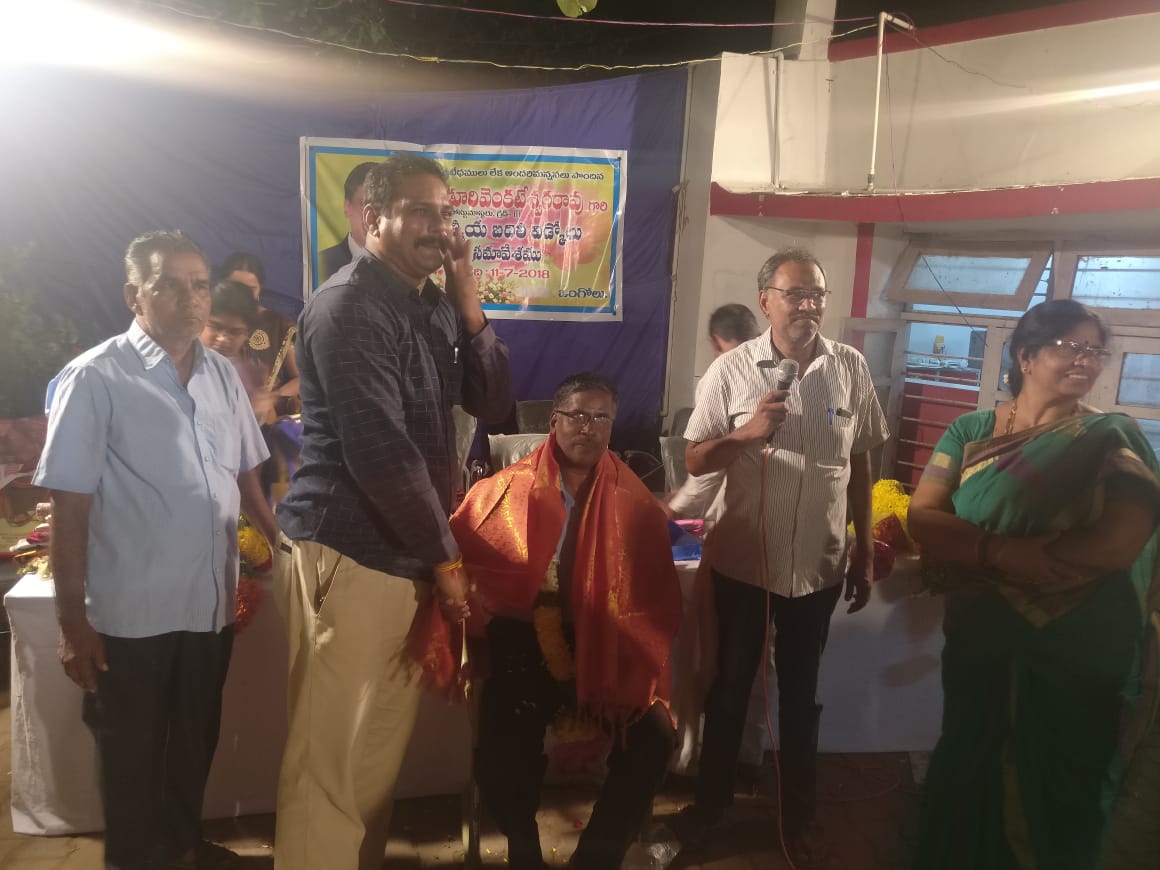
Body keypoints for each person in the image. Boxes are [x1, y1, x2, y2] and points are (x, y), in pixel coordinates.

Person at [273, 153, 513, 870]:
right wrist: (446, 560)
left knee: (373, 759)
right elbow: (382, 454)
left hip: (405, 553)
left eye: (447, 212)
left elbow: (493, 401)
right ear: (373, 218)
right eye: (420, 211)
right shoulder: (349, 306)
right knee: (332, 762)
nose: (439, 226)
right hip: (351, 552)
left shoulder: (429, 302)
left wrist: (467, 296)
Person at [33, 230, 280, 870]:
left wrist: (278, 538)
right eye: (170, 284)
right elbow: (70, 507)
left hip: (208, 604)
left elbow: (246, 472)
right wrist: (71, 623)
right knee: (130, 755)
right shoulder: (96, 376)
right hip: (130, 615)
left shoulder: (221, 373)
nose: (190, 298)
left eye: (199, 285)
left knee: (194, 740)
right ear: (133, 295)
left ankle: (183, 850)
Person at [907, 299, 1160, 870]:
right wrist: (1006, 553)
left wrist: (989, 552)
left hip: (1074, 645)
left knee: (1060, 776)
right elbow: (923, 516)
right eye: (1070, 347)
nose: (1085, 360)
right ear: (1025, 356)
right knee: (970, 751)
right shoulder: (970, 430)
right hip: (982, 634)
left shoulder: (1110, 438)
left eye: (1094, 351)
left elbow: (1120, 544)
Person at [677, 247, 889, 863]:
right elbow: (695, 459)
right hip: (745, 564)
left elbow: (862, 460)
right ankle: (711, 807)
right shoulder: (729, 371)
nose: (808, 306)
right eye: (796, 294)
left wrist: (863, 548)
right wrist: (747, 433)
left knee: (801, 695)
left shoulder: (850, 366)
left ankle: (798, 815)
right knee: (730, 690)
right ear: (765, 300)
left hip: (818, 566)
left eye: (817, 294)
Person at [451, 372, 681, 870]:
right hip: (522, 639)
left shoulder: (633, 499)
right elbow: (460, 555)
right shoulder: (504, 490)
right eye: (577, 415)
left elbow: (655, 593)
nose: (588, 428)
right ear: (554, 421)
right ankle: (523, 847)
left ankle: (597, 857)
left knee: (656, 738)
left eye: (601, 418)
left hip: (608, 643)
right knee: (502, 752)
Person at [216, 253, 300, 502]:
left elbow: (301, 378)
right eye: (236, 286)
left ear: (261, 288)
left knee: (253, 488)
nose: (243, 294)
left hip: (261, 423)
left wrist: (273, 395)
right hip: (215, 424)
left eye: (250, 288)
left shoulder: (277, 324)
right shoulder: (206, 323)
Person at [199, 279, 276, 422]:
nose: (222, 339)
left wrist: (257, 411)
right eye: (215, 326)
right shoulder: (180, 366)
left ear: (247, 334)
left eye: (235, 332)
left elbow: (254, 424)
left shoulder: (249, 374)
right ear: (200, 320)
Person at [318, 161, 378, 283]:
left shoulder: (407, 266)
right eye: (364, 203)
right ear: (347, 208)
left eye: (381, 204)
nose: (372, 215)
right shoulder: (321, 262)